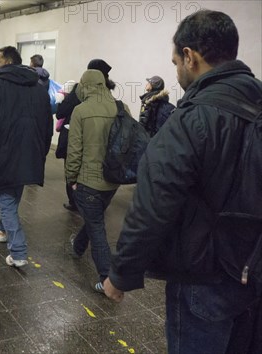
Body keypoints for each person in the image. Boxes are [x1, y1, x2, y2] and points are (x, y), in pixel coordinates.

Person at [104, 10, 262, 354]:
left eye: (176, 62)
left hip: (203, 275)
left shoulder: (191, 119)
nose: (176, 72)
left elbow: (153, 204)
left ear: (190, 57)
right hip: (252, 271)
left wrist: (122, 274)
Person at [0, 46, 52, 267]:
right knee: (11, 195)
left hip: (2, 155)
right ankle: (1, 227)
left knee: (6, 201)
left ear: (7, 62)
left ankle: (18, 252)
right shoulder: (39, 88)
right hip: (29, 154)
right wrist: (41, 152)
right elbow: (47, 126)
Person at [65, 68, 131, 293]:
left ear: (84, 86)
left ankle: (107, 279)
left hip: (88, 180)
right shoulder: (121, 108)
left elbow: (74, 150)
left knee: (97, 227)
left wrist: (71, 178)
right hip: (113, 180)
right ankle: (78, 246)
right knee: (94, 217)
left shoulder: (80, 111)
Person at [56, 59, 115, 212]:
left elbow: (61, 112)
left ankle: (76, 202)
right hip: (100, 141)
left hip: (75, 135)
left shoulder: (79, 91)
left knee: (73, 165)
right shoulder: (108, 95)